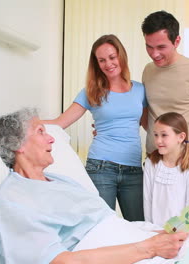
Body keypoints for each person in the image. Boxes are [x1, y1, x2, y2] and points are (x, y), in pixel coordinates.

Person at [0, 108, 188, 264]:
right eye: (40, 132)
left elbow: (107, 223)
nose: (52, 138)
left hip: (135, 244)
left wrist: (158, 237)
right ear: (16, 144)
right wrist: (149, 248)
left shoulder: (60, 181)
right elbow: (60, 261)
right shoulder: (13, 200)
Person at [45, 34, 147, 221]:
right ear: (96, 64)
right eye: (102, 60)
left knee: (138, 227)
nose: (108, 64)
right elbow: (60, 123)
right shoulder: (91, 92)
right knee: (102, 227)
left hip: (133, 170)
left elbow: (150, 125)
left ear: (121, 56)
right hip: (101, 167)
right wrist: (30, 122)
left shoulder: (141, 90)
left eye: (112, 57)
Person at [141, 11, 189, 195]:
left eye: (161, 47)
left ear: (177, 42)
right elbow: (144, 116)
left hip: (187, 163)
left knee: (187, 220)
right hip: (154, 161)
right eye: (149, 46)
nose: (154, 53)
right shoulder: (148, 71)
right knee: (154, 220)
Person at [143, 112, 189, 241]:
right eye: (155, 135)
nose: (158, 140)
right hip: (155, 231)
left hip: (183, 233)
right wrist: (153, 233)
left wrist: (172, 234)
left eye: (164, 135)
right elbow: (147, 201)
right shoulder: (151, 164)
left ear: (181, 137)